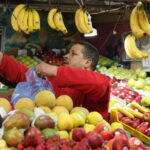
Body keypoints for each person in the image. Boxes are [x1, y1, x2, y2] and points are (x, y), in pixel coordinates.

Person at [0, 41, 111, 120]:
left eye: (73, 53)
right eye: (68, 52)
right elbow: (23, 74)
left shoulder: (95, 87)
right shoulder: (59, 80)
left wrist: (56, 71)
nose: (66, 56)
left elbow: (101, 83)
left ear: (87, 62)